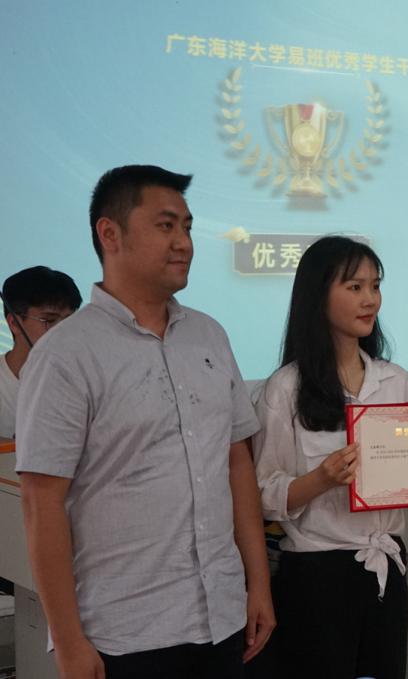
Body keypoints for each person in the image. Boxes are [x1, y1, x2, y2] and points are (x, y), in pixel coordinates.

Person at [16, 165, 274, 679]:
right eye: (165, 225)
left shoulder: (209, 336)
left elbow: (236, 464)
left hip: (221, 615)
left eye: (188, 227)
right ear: (109, 234)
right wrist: (67, 641)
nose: (183, 242)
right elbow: (41, 502)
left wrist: (258, 584)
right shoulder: (66, 354)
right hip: (125, 632)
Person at [252, 235, 408, 678]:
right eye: (354, 287)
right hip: (318, 572)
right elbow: (262, 494)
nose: (370, 299)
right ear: (318, 296)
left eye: (375, 286)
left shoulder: (394, 381)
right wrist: (321, 478)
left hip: (386, 563)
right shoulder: (285, 389)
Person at [0, 266, 81, 439]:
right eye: (49, 320)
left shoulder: (85, 382)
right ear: (14, 323)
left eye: (70, 321)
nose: (63, 331)